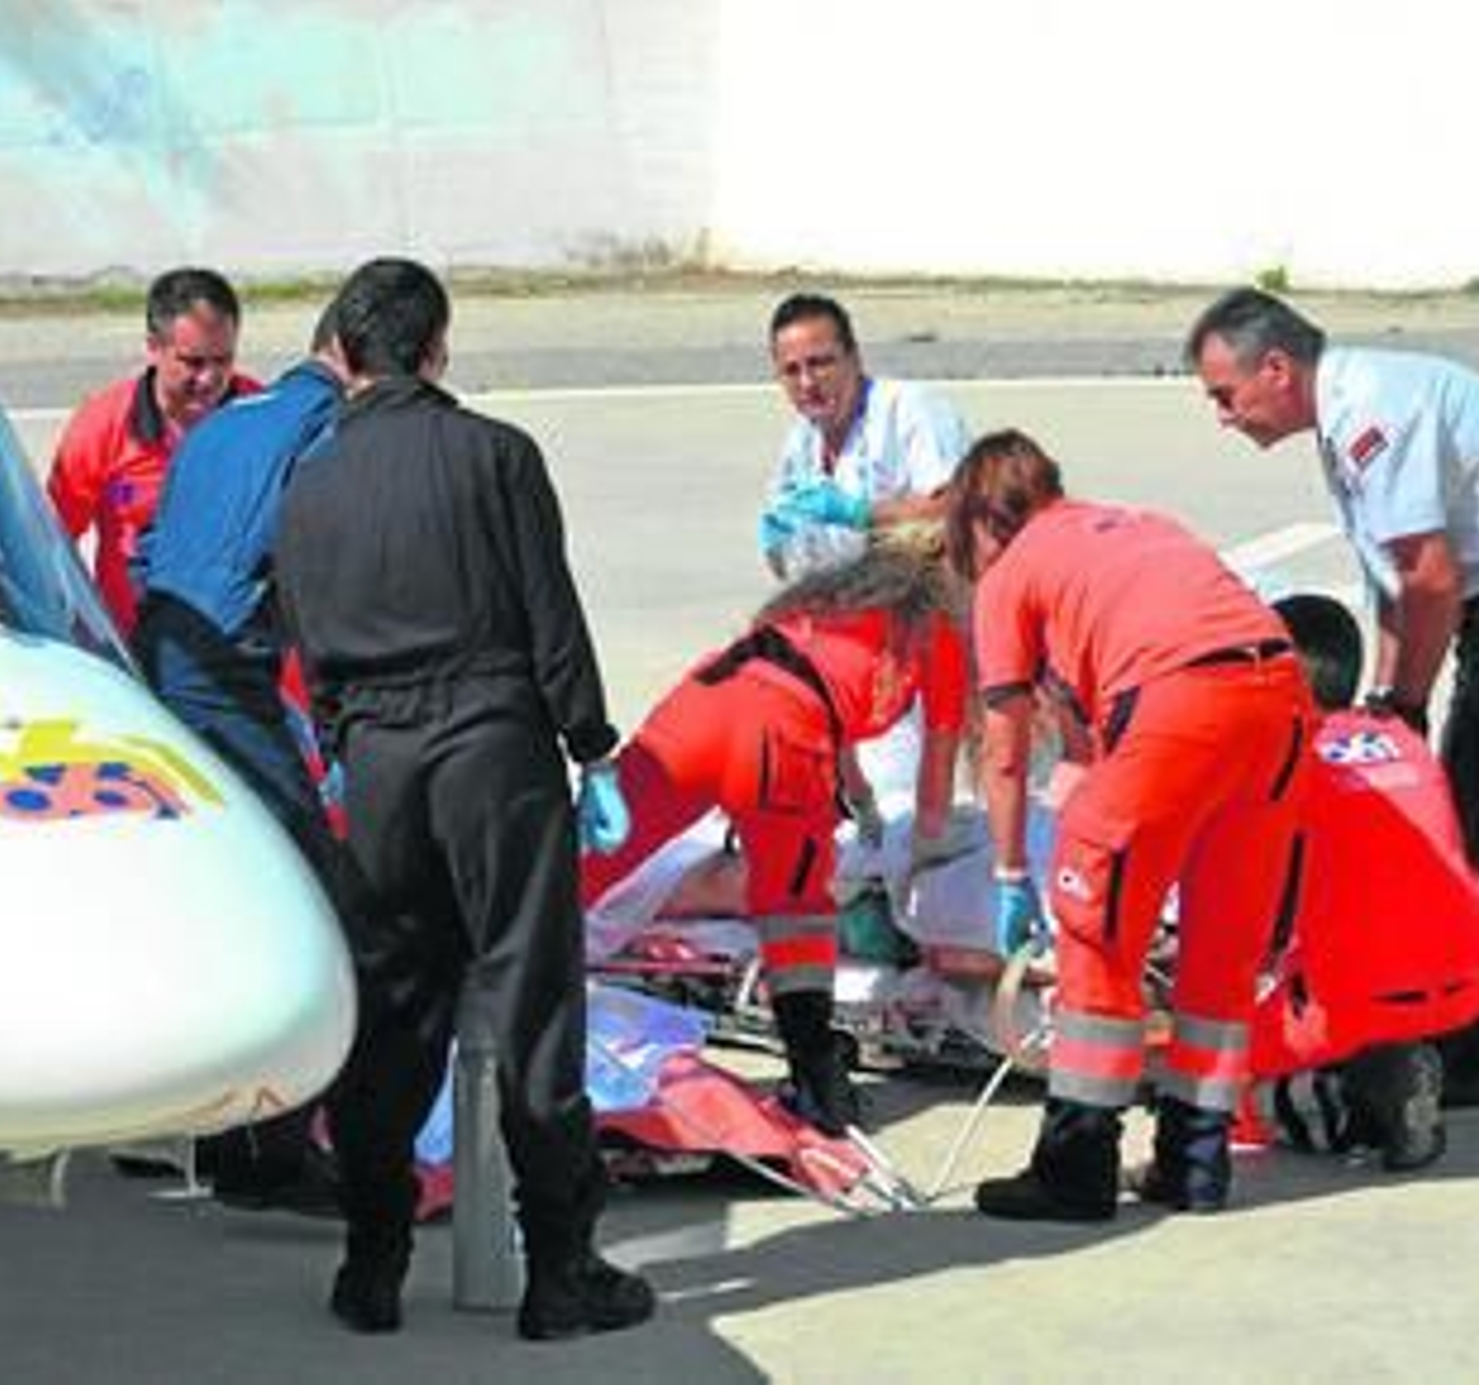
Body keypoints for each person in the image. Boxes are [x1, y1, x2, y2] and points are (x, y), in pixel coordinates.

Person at [274, 258, 653, 1342]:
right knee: (532, 1004)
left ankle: (373, 1259)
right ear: (437, 348)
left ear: (344, 355)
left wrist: (351, 742)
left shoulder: (311, 486)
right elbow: (548, 612)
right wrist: (591, 742)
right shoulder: (496, 455)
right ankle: (560, 1268)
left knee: (394, 1007)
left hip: (382, 765)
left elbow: (306, 642)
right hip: (492, 746)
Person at [1186, 287, 1479, 1108]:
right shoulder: (1344, 420)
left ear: (1277, 367)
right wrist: (1384, 696)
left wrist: (1404, 703)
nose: (1223, 417)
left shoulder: (1373, 411)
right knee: (1468, 821)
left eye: (1225, 396)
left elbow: (1431, 577)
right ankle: (1471, 1029)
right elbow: (1393, 580)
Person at [945, 429, 1312, 1220]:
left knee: (1096, 936)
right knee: (1221, 947)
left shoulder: (1011, 572)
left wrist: (1012, 875)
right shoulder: (1139, 525)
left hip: (1181, 705)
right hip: (1279, 701)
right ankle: (1195, 1160)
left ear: (980, 519)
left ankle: (1075, 1166)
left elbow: (1005, 752)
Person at [580, 539, 968, 1136]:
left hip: (699, 709)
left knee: (586, 863)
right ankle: (816, 1081)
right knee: (796, 912)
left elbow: (825, 699)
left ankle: (465, 991)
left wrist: (856, 796)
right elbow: (937, 766)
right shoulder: (936, 635)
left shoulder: (817, 604)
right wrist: (926, 850)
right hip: (781, 742)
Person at [131, 299, 351, 1212]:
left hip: (168, 663)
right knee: (312, 900)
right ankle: (272, 1151)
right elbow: (320, 567)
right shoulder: (327, 427)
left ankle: (220, 1132)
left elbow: (147, 552)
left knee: (218, 891)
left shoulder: (229, 424)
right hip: (220, 675)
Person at [1248, 594, 1479, 1171]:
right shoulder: (1400, 737)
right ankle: (1388, 1056)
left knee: (1215, 1071)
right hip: (1475, 968)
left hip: (1363, 987)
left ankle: (1355, 1098)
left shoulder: (1286, 761)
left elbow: (1262, 916)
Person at [48, 267, 258, 633]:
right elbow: (52, 544)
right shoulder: (100, 426)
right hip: (137, 645)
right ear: (153, 348)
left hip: (240, 649)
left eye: (223, 360)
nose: (209, 379)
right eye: (192, 362)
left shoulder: (261, 415)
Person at [759, 292, 970, 583]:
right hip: (847, 602)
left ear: (854, 358)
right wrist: (775, 546)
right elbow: (790, 569)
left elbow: (954, 509)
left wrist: (859, 513)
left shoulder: (910, 410)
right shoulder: (801, 442)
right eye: (791, 371)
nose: (807, 383)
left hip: (925, 598)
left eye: (820, 363)